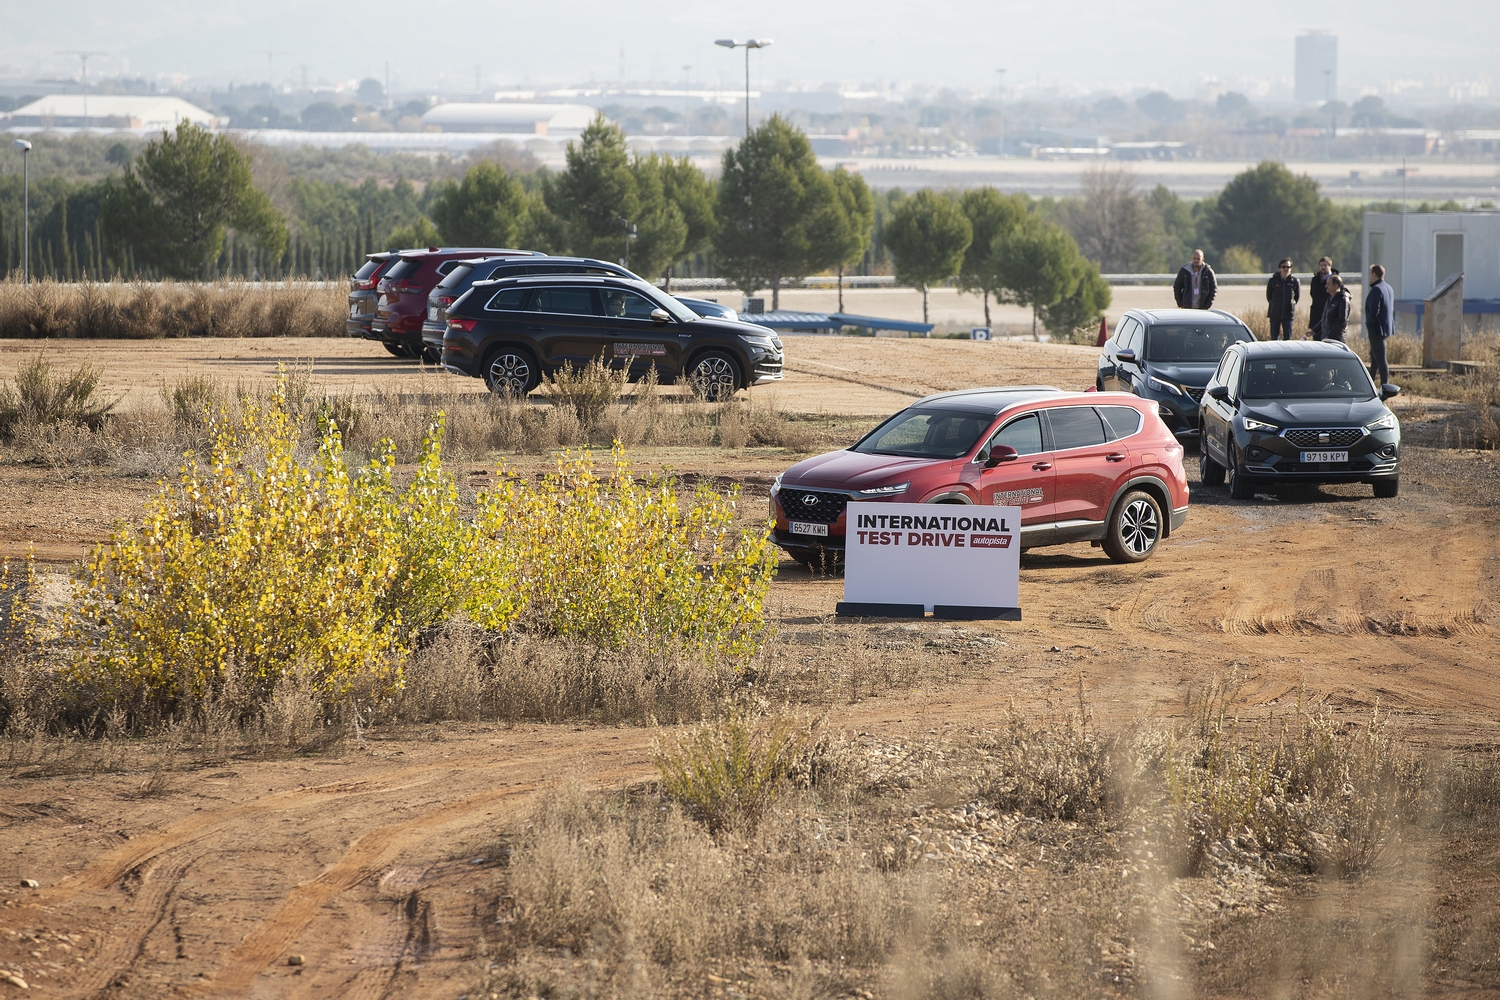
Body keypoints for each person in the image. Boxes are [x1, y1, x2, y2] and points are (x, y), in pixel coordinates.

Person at [1365, 264, 1394, 387]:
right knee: (1375, 356)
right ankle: (1370, 382)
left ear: (1374, 274)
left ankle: (1384, 385)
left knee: (1380, 358)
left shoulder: (1376, 289)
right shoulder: (1388, 287)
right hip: (1385, 328)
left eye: (1370, 273)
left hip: (1377, 329)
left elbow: (1374, 309)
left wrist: (1369, 323)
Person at [1266, 258, 1300, 340]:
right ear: (1279, 268)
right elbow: (1269, 296)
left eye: (1288, 267)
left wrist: (1291, 305)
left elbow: (1297, 297)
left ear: (1291, 268)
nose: (1285, 269)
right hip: (1275, 313)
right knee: (1274, 338)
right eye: (1283, 267)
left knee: (1287, 338)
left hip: (1288, 313)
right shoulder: (1273, 281)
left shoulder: (1294, 281)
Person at [1307, 256, 1339, 340]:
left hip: (1330, 315)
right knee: (1317, 341)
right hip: (1317, 314)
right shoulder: (1315, 280)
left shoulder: (1335, 280)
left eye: (1325, 265)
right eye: (1321, 265)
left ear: (1330, 266)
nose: (1323, 267)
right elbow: (1312, 294)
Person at [1320, 275, 1350, 343]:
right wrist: (1314, 330)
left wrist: (1329, 336)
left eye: (1328, 284)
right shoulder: (1330, 298)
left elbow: (1342, 322)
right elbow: (1325, 317)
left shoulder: (1343, 300)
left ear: (1336, 286)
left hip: (1336, 340)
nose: (1326, 286)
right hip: (1327, 339)